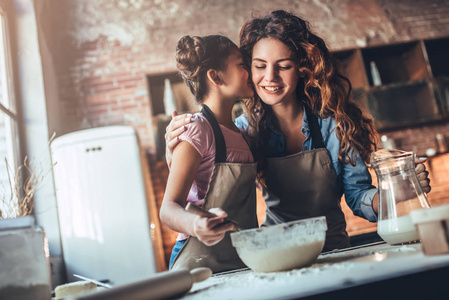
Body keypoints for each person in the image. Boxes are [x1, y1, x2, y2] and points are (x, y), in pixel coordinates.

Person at [165, 11, 431, 252]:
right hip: (276, 253)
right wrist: (174, 148)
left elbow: (358, 196)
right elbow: (201, 184)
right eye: (259, 66)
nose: (270, 77)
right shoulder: (244, 131)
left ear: (302, 69)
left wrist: (395, 192)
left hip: (335, 250)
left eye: (283, 66)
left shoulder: (334, 125)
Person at [159, 34, 258, 273]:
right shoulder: (196, 129)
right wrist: (196, 224)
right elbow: (168, 208)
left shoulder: (243, 132)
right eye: (242, 65)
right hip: (198, 263)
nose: (251, 72)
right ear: (216, 76)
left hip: (241, 258)